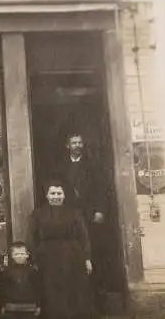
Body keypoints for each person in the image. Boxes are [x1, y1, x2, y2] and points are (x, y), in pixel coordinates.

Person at [56, 132, 107, 316]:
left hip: (90, 215)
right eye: (74, 143)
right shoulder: (60, 167)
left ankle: (98, 304)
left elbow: (101, 188)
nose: (77, 145)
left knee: (93, 255)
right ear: (67, 146)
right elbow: (56, 190)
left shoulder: (92, 165)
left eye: (80, 142)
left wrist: (99, 210)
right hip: (70, 216)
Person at [29, 180, 93, 319]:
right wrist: (34, 259)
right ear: (47, 195)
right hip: (48, 257)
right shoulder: (38, 214)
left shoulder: (75, 213)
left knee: (73, 292)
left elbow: (84, 236)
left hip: (72, 256)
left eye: (59, 193)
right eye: (52, 193)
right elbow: (31, 237)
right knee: (51, 292)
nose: (56, 196)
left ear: (64, 195)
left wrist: (87, 258)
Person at [0, 241, 42, 319]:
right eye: (16, 254)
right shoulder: (6, 272)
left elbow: (38, 289)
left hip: (29, 308)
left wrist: (38, 305)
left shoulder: (33, 271)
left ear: (27, 255)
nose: (20, 256)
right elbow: (2, 290)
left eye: (22, 254)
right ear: (12, 256)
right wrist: (2, 305)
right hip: (11, 308)